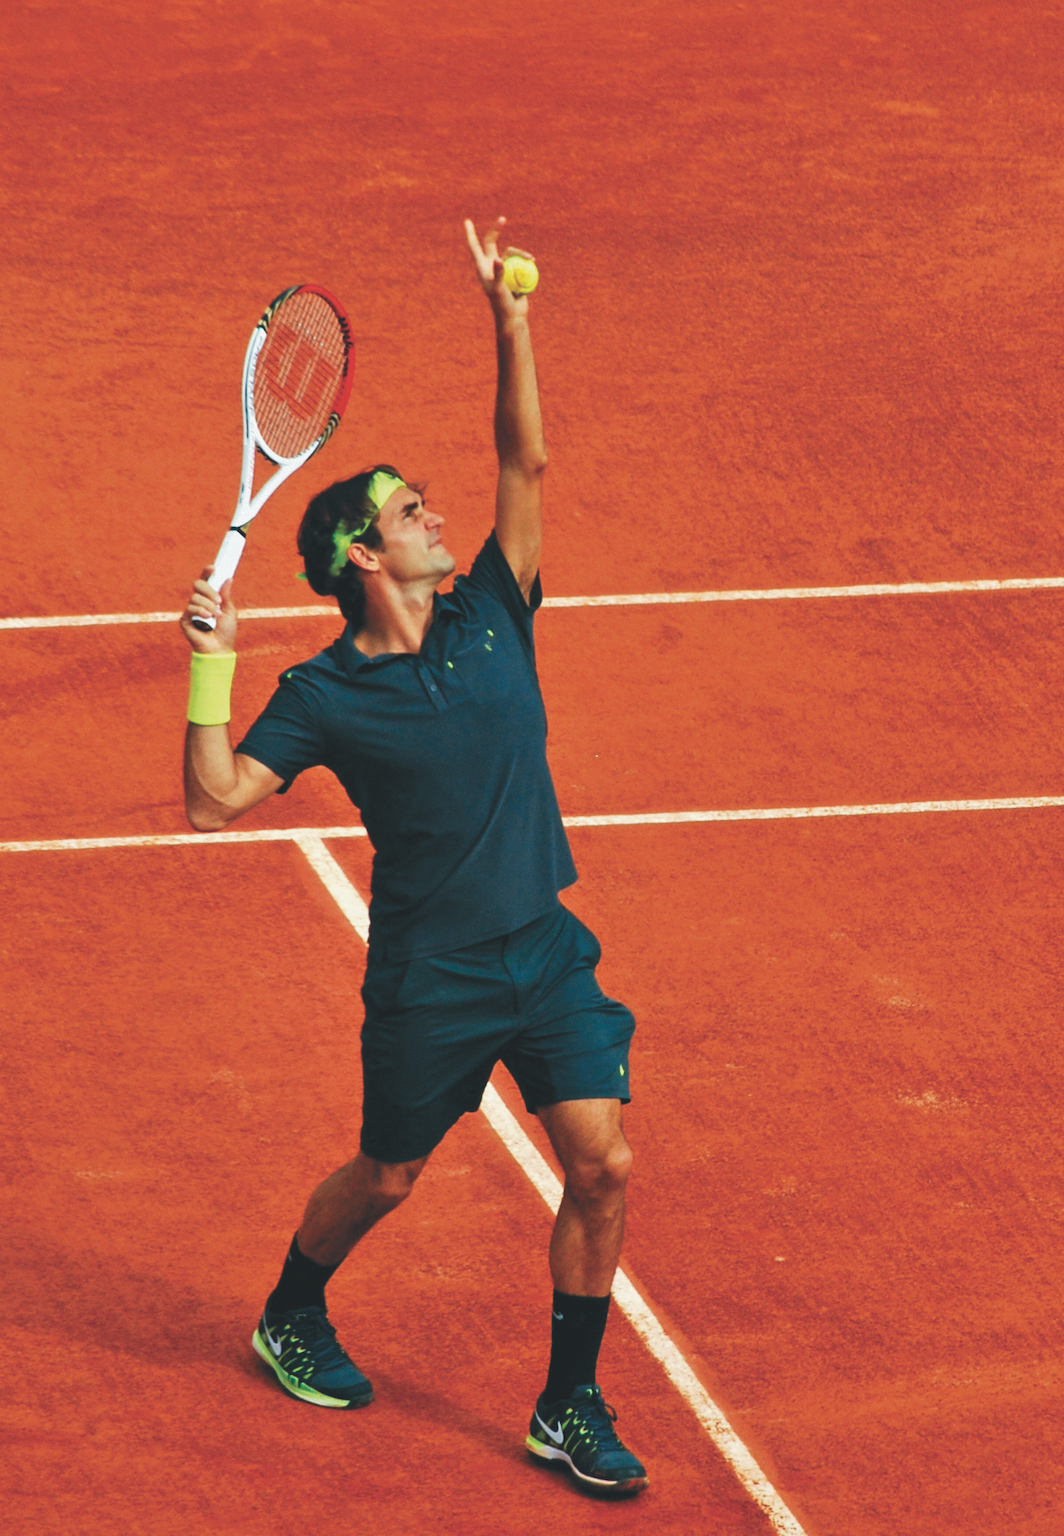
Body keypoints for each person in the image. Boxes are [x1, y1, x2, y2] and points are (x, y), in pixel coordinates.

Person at [179, 218, 647, 1494]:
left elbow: (527, 459)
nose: (435, 515)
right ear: (361, 559)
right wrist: (209, 664)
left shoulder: (496, 606)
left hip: (543, 948)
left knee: (600, 1159)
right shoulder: (324, 693)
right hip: (431, 975)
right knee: (387, 1171)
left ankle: (566, 1404)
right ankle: (291, 1309)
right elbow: (215, 802)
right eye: (405, 510)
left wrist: (510, 321)